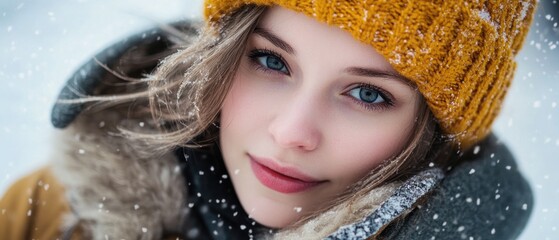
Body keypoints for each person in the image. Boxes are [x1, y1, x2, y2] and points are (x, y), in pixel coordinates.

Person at [0, 0, 536, 239]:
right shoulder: (60, 209)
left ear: (434, 133)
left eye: (368, 94)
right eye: (271, 60)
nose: (291, 132)